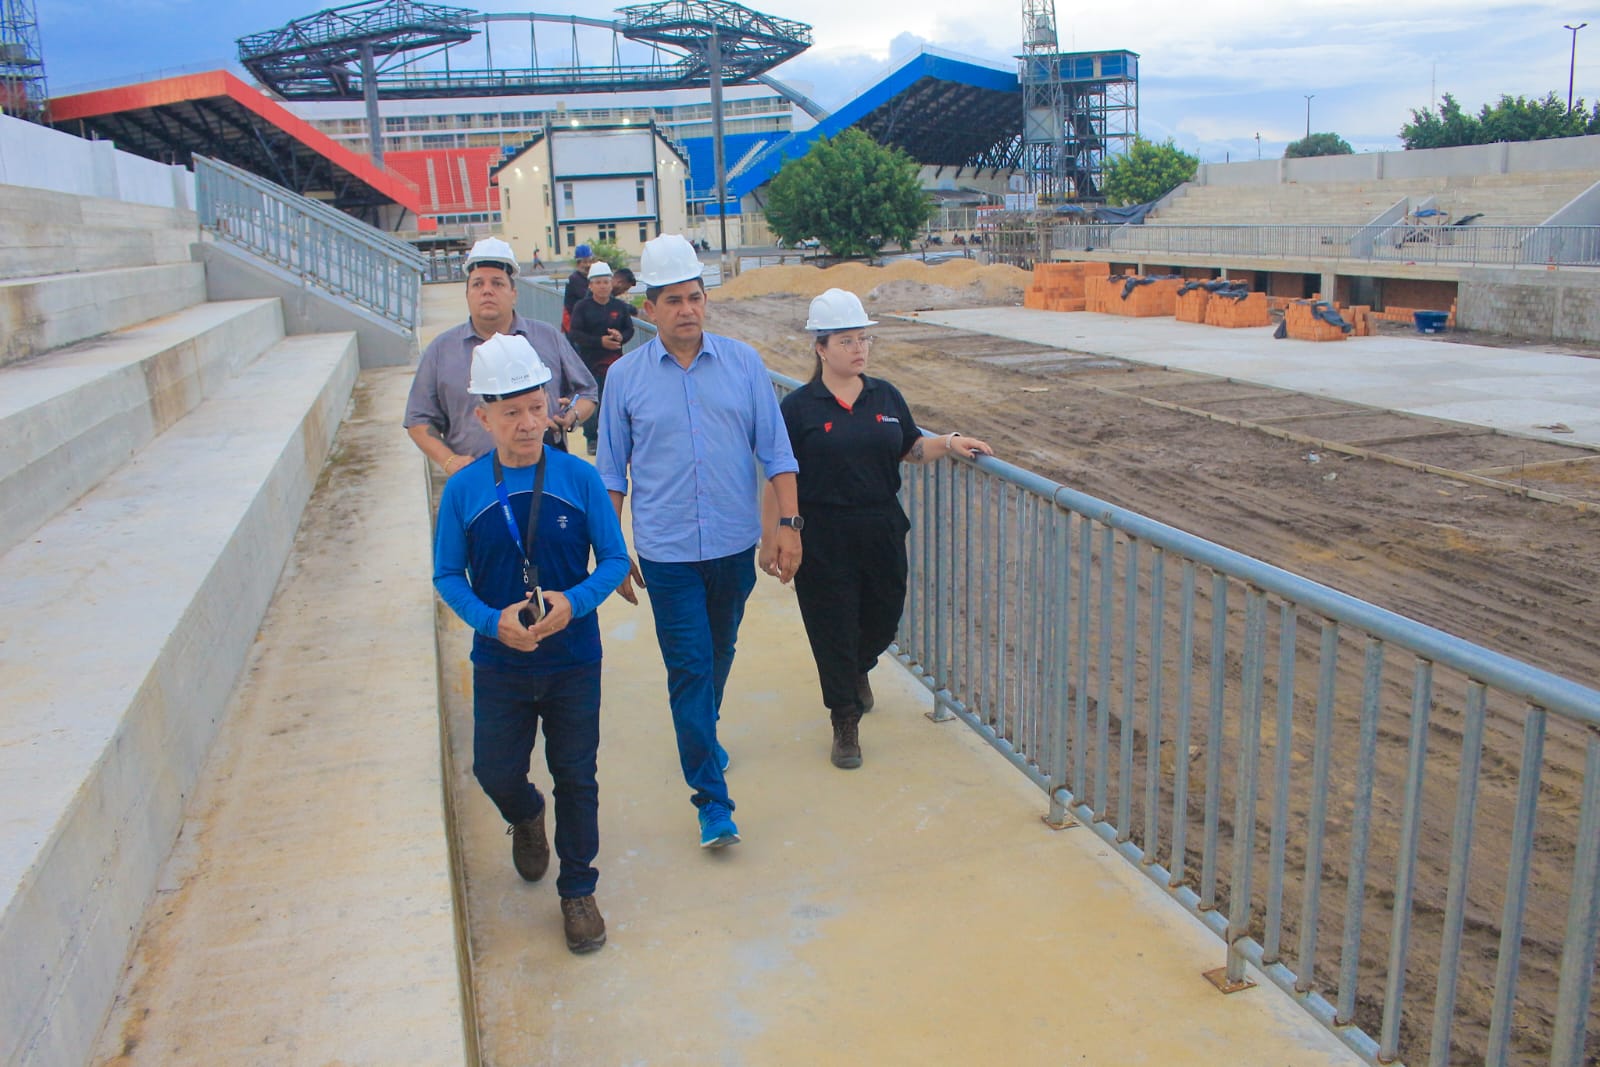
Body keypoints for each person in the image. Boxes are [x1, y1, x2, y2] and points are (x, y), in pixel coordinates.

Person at [596, 233, 802, 850]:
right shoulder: (626, 379)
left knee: (719, 651)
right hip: (666, 553)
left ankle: (701, 734)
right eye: (673, 300)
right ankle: (713, 802)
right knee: (688, 667)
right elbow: (611, 471)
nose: (687, 309)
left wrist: (787, 526)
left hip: (735, 546)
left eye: (695, 297)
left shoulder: (743, 365)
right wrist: (611, 550)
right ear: (649, 310)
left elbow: (777, 453)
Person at [433, 333, 631, 954]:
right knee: (493, 769)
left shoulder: (578, 477)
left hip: (573, 659)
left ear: (550, 404)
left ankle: (577, 890)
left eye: (536, 406)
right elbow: (446, 575)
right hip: (500, 663)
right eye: (511, 412)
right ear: (482, 416)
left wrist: (574, 602)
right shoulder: (465, 490)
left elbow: (615, 559)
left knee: (578, 775)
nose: (527, 423)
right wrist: (494, 623)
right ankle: (523, 814)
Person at [765, 289, 993, 769]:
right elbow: (779, 474)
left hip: (881, 524)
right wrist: (776, 536)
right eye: (846, 341)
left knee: (883, 617)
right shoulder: (800, 408)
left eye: (864, 340)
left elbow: (909, 446)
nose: (859, 349)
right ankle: (844, 719)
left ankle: (858, 669)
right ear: (820, 348)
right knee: (832, 626)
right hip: (823, 532)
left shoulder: (884, 395)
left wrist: (948, 442)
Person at [405, 237, 597, 472]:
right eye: (477, 284)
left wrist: (573, 415)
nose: (487, 291)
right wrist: (449, 461)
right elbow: (418, 419)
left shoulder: (548, 338)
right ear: (467, 294)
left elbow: (587, 392)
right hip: (477, 486)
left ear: (513, 293)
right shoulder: (441, 351)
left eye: (497, 283)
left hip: (548, 480)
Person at [566, 261, 635, 456]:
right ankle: (592, 438)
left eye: (606, 282)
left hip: (614, 364)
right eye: (598, 282)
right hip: (589, 363)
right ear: (591, 285)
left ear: (611, 283)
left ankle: (617, 438)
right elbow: (575, 334)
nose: (603, 286)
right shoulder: (583, 307)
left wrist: (622, 338)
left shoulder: (619, 306)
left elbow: (629, 329)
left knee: (615, 401)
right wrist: (600, 342)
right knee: (592, 402)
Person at [563, 244, 596, 327]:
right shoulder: (574, 279)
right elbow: (589, 298)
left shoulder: (590, 278)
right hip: (574, 325)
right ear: (578, 264)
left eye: (590, 261)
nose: (588, 265)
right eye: (585, 262)